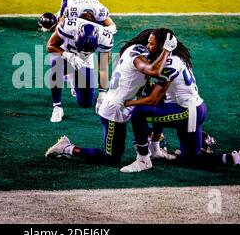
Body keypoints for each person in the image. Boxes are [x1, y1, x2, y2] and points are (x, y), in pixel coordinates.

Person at [121, 39, 240, 175]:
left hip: (188, 113)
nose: (148, 46)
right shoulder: (178, 57)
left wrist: (128, 102)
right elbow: (160, 98)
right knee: (191, 159)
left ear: (163, 46)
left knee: (138, 112)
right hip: (195, 109)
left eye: (152, 43)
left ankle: (143, 159)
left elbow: (152, 100)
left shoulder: (169, 63)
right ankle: (238, 158)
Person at [45, 28, 178, 164]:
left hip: (124, 105)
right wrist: (167, 51)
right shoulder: (138, 55)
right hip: (114, 111)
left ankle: (148, 142)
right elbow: (154, 71)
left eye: (152, 44)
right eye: (149, 43)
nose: (149, 47)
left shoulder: (136, 49)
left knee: (143, 116)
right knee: (112, 158)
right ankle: (67, 148)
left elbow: (140, 81)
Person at [46, 11, 114, 123]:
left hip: (85, 61)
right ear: (76, 35)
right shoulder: (67, 26)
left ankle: (73, 77)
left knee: (85, 102)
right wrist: (68, 55)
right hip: (65, 54)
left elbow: (103, 67)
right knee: (56, 68)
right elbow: (50, 46)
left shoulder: (105, 38)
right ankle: (57, 107)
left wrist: (102, 93)